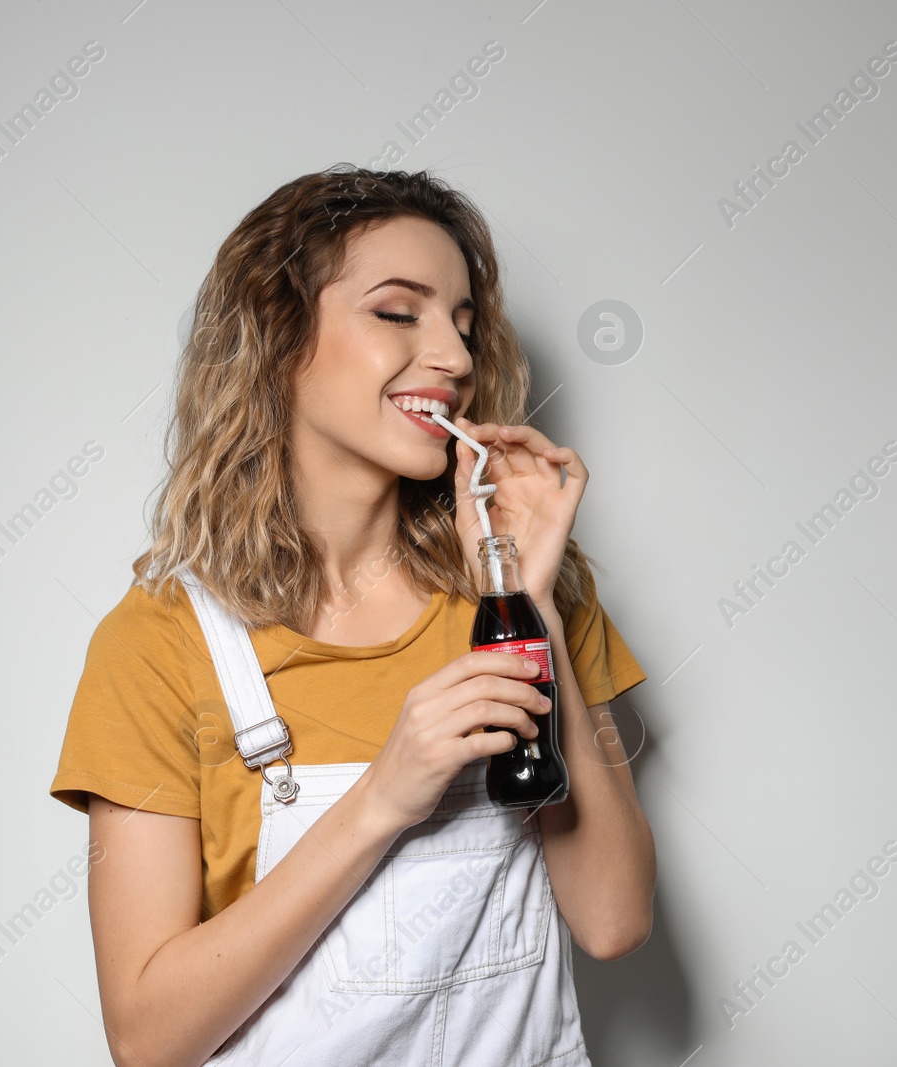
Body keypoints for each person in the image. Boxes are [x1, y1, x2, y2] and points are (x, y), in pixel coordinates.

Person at [49, 165, 656, 1066]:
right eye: (398, 312)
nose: (452, 357)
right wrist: (384, 797)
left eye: (461, 320)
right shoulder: (158, 647)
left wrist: (524, 602)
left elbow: (613, 921)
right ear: (278, 337)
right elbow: (148, 1039)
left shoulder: (534, 596)